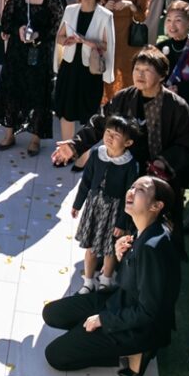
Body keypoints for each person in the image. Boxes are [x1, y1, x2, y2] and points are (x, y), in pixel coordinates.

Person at [43, 176, 181, 376]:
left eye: (140, 190)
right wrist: (122, 256)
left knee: (55, 355)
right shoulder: (143, 229)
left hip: (138, 327)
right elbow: (131, 280)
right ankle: (89, 334)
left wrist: (102, 320)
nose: (131, 191)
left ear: (156, 206)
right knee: (52, 313)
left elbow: (148, 312)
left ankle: (135, 352)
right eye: (132, 186)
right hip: (118, 301)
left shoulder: (152, 247)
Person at [52, 48, 189, 235]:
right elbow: (100, 124)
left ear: (162, 76)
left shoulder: (177, 107)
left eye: (147, 70)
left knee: (155, 231)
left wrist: (163, 162)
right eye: (137, 69)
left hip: (156, 178)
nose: (140, 75)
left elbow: (186, 144)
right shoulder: (123, 98)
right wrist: (75, 146)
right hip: (124, 172)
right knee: (117, 229)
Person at [0, 0, 64, 155]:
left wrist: (39, 35)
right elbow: (6, 22)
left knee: (39, 93)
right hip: (16, 52)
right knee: (11, 90)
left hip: (40, 53)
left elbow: (57, 28)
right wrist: (19, 29)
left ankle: (35, 138)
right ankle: (9, 133)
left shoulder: (53, 1)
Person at [72, 116, 139, 294]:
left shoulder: (130, 164)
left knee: (110, 249)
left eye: (116, 135)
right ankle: (88, 281)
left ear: (128, 142)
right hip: (94, 206)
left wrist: (121, 223)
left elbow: (129, 196)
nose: (109, 137)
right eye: (108, 132)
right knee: (91, 247)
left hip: (114, 211)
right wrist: (77, 204)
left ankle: (105, 281)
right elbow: (86, 181)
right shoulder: (97, 154)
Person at [54, 0, 115, 144]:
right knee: (66, 112)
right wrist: (66, 40)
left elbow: (107, 45)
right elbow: (59, 37)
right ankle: (66, 150)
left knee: (87, 115)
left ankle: (82, 153)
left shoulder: (105, 15)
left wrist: (84, 41)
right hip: (69, 67)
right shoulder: (70, 10)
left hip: (90, 70)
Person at [103, 0, 150, 99]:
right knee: (109, 73)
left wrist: (131, 5)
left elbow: (142, 17)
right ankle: (110, 104)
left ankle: (131, 102)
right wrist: (105, 7)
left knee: (129, 73)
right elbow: (99, 13)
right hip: (109, 36)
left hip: (130, 39)